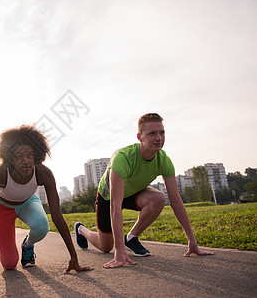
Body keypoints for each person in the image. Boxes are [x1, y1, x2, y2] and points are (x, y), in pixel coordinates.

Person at [74, 113, 213, 268]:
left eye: (162, 132)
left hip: (135, 193)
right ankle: (81, 229)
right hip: (109, 197)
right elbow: (115, 205)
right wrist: (119, 251)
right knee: (106, 246)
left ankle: (131, 238)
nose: (159, 138)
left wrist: (192, 241)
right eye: (152, 133)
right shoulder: (123, 158)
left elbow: (175, 200)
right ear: (139, 137)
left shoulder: (164, 160)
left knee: (159, 198)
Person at [0, 125, 93, 284]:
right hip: (3, 208)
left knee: (41, 226)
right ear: (9, 158)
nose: (25, 161)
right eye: (18, 155)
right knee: (10, 264)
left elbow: (57, 216)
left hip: (28, 202)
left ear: (37, 156)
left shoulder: (43, 173)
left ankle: (27, 245)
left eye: (30, 155)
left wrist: (74, 258)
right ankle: (7, 250)